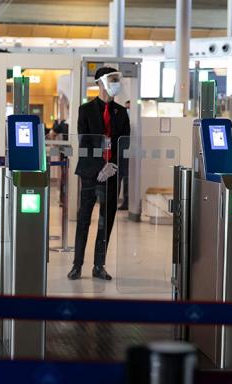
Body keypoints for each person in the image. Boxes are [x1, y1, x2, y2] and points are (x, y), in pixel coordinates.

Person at [68, 67, 130, 280]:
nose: (116, 83)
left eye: (117, 79)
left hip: (112, 175)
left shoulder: (121, 113)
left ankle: (99, 265)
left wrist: (112, 166)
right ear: (100, 83)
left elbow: (124, 145)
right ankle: (77, 264)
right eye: (112, 79)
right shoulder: (85, 110)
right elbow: (84, 142)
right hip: (90, 174)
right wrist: (98, 167)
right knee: (84, 218)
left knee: (106, 221)